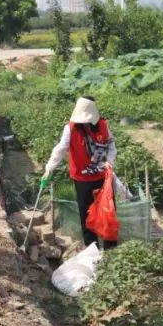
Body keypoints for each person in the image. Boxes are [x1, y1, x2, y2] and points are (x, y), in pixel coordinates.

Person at [41, 96, 118, 249]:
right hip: (82, 178)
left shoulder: (103, 126)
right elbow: (61, 149)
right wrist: (49, 168)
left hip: (103, 176)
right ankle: (92, 248)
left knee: (108, 211)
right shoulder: (70, 128)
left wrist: (109, 162)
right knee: (86, 212)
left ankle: (111, 249)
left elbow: (111, 146)